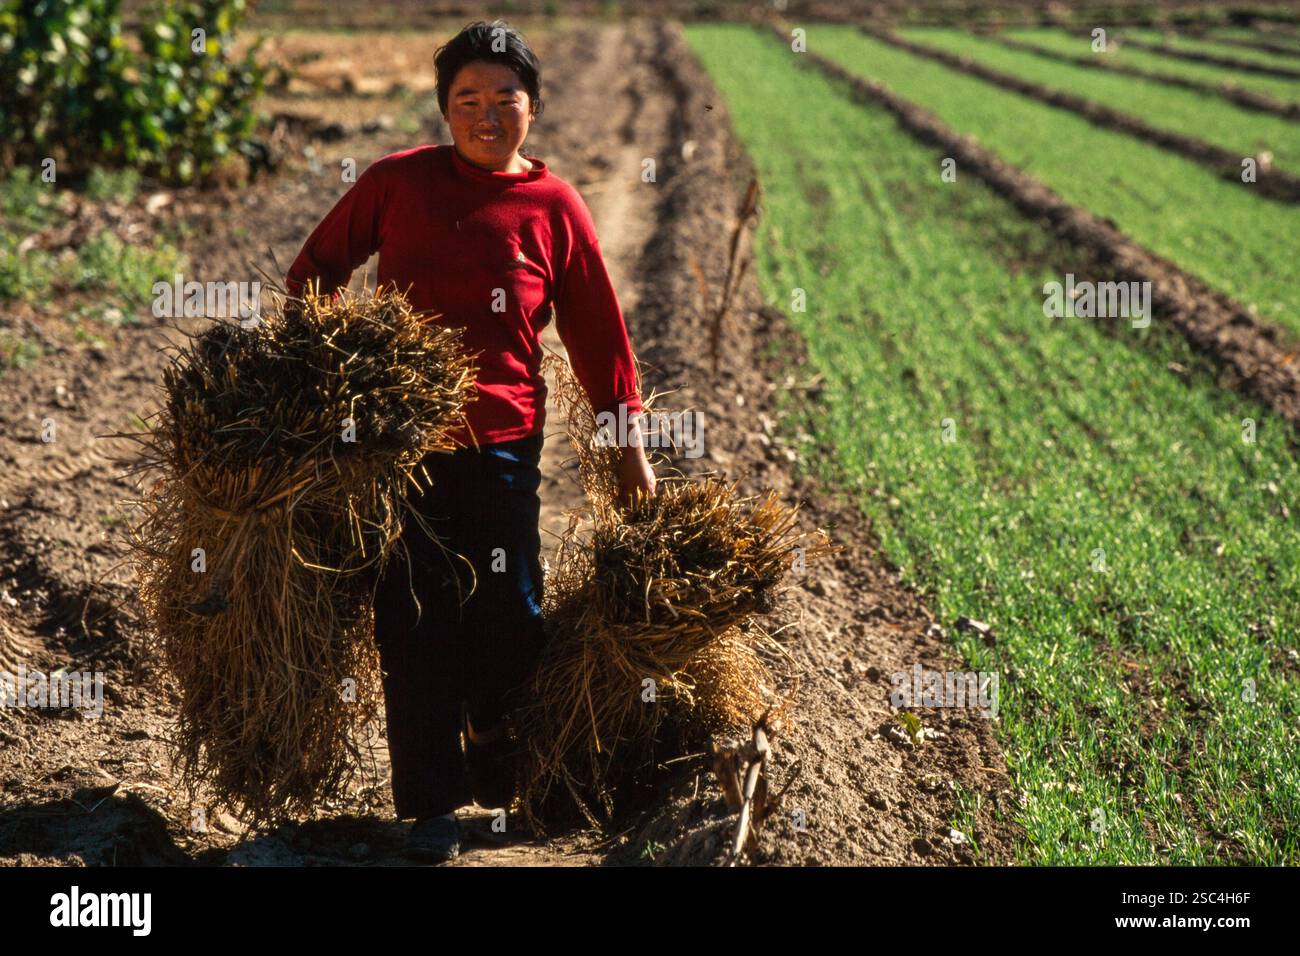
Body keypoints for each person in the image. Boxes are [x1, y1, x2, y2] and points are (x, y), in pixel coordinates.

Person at [284, 19, 655, 862]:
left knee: (513, 611)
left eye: (504, 100)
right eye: (467, 101)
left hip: (502, 443)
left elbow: (601, 340)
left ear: (534, 107)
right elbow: (315, 272)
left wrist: (629, 448)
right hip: (398, 448)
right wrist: (330, 369)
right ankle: (429, 806)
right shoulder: (397, 182)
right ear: (445, 110)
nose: (487, 117)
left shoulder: (555, 208)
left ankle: (492, 732)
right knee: (411, 618)